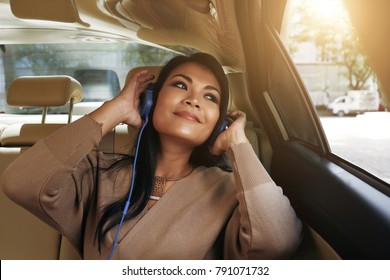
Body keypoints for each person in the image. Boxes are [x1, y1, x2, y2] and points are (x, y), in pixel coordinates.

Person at [1, 53, 302, 259]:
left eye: (210, 97)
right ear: (150, 102)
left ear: (219, 121)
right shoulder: (98, 173)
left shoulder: (231, 192)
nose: (193, 100)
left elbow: (278, 240)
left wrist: (238, 143)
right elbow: (20, 182)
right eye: (181, 85)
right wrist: (114, 109)